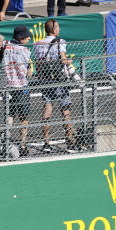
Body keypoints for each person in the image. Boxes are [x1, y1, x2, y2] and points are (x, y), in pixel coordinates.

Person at [33, 18, 80, 153]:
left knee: (47, 110)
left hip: (45, 80)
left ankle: (46, 143)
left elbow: (38, 63)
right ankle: (70, 142)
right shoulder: (60, 42)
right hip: (59, 80)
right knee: (65, 111)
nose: (59, 29)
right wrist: (69, 60)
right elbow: (63, 58)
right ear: (54, 30)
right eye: (58, 27)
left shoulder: (38, 44)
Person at [3, 25, 33, 155]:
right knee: (23, 117)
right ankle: (23, 145)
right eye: (27, 37)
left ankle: (7, 143)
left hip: (8, 85)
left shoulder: (5, 45)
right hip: (21, 86)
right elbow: (29, 72)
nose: (29, 39)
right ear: (21, 38)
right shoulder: (25, 50)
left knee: (10, 115)